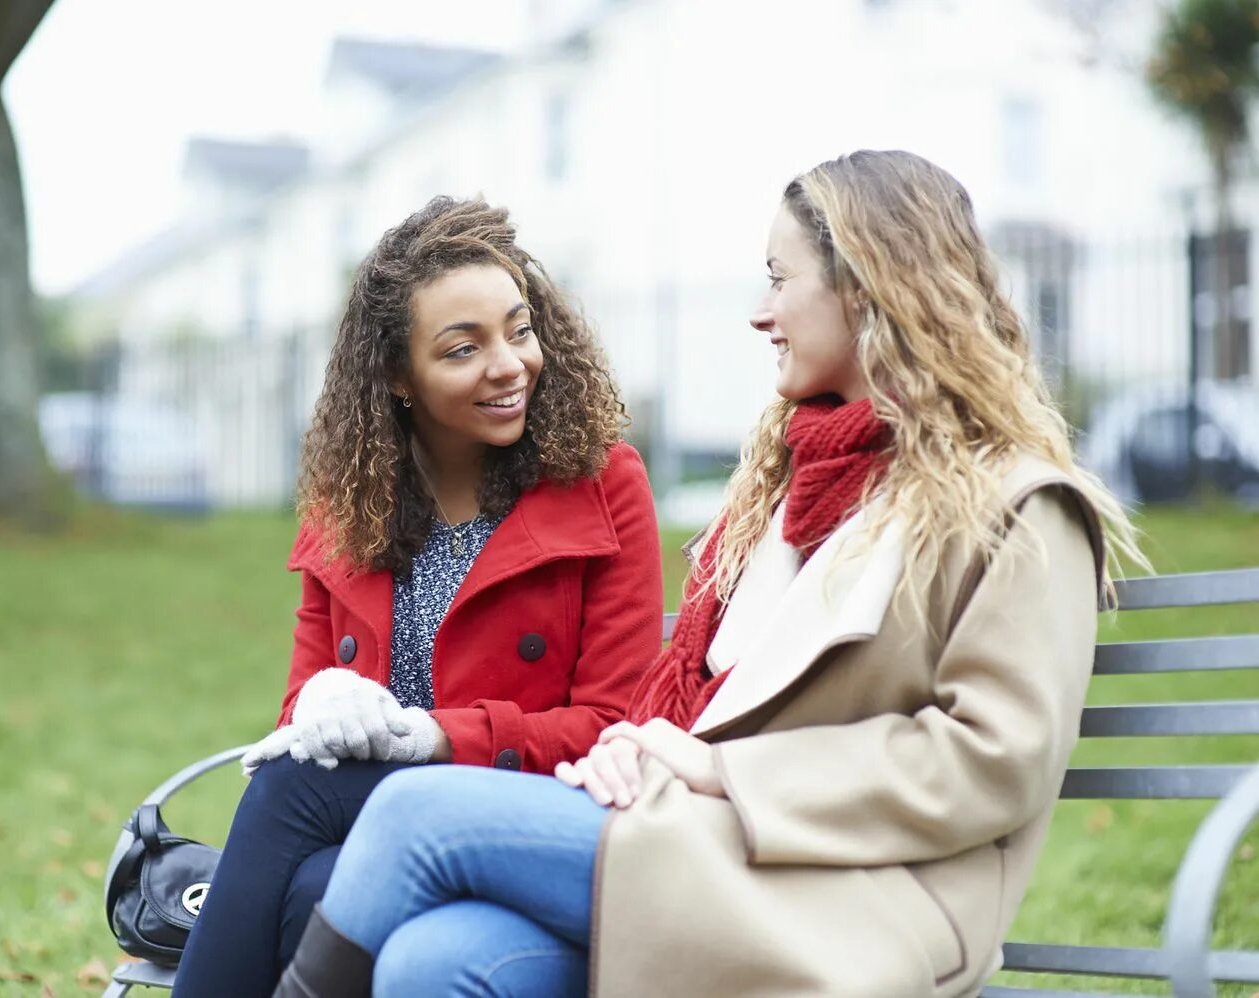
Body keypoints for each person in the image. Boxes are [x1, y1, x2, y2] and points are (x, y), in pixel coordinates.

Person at [275, 150, 1146, 998]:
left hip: (847, 894)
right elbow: (680, 704)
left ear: (869, 287)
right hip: (701, 848)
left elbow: (992, 760)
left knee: (409, 814)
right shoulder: (784, 495)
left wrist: (714, 772)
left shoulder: (1020, 508)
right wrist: (637, 751)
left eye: (780, 278)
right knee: (434, 960)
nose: (760, 313)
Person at [170, 196, 665, 996]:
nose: (509, 365)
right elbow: (305, 706)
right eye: (464, 349)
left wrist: (434, 738)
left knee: (297, 802)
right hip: (367, 826)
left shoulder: (602, 483)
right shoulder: (352, 501)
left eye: (521, 330)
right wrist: (324, 696)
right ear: (399, 377)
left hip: (536, 815)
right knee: (312, 878)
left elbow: (615, 725)